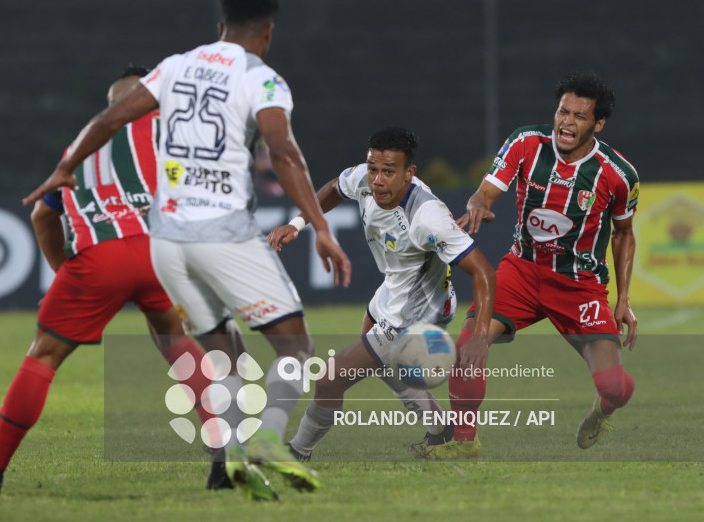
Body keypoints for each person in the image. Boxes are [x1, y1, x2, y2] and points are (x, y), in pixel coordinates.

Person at [21, 0, 352, 501]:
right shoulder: (262, 78)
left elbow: (109, 119)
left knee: (224, 348)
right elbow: (283, 152)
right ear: (266, 34)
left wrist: (65, 169)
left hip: (167, 243)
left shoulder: (175, 65)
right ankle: (266, 438)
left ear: (219, 27)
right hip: (224, 232)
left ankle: (232, 457)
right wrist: (322, 225)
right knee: (296, 346)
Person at [0, 67, 221, 496]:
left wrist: (64, 271)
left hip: (100, 257)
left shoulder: (79, 147)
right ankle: (224, 452)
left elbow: (42, 214)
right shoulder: (176, 134)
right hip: (158, 253)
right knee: (175, 341)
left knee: (44, 355)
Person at [432, 71, 639, 459]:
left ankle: (603, 409)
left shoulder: (618, 174)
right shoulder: (527, 142)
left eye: (579, 116)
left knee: (613, 387)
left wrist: (623, 298)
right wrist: (478, 206)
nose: (566, 121)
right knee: (468, 346)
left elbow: (623, 234)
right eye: (563, 111)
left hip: (579, 286)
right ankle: (463, 442)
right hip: (522, 271)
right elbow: (486, 192)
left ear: (598, 124)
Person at [267, 127, 495, 460]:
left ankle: (297, 452)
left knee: (330, 379)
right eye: (373, 168)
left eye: (389, 172)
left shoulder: (428, 216)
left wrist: (480, 336)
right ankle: (441, 432)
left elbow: (484, 272)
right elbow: (334, 187)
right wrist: (299, 223)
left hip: (416, 311)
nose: (377, 179)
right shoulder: (366, 178)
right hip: (394, 288)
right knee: (380, 363)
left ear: (409, 173)